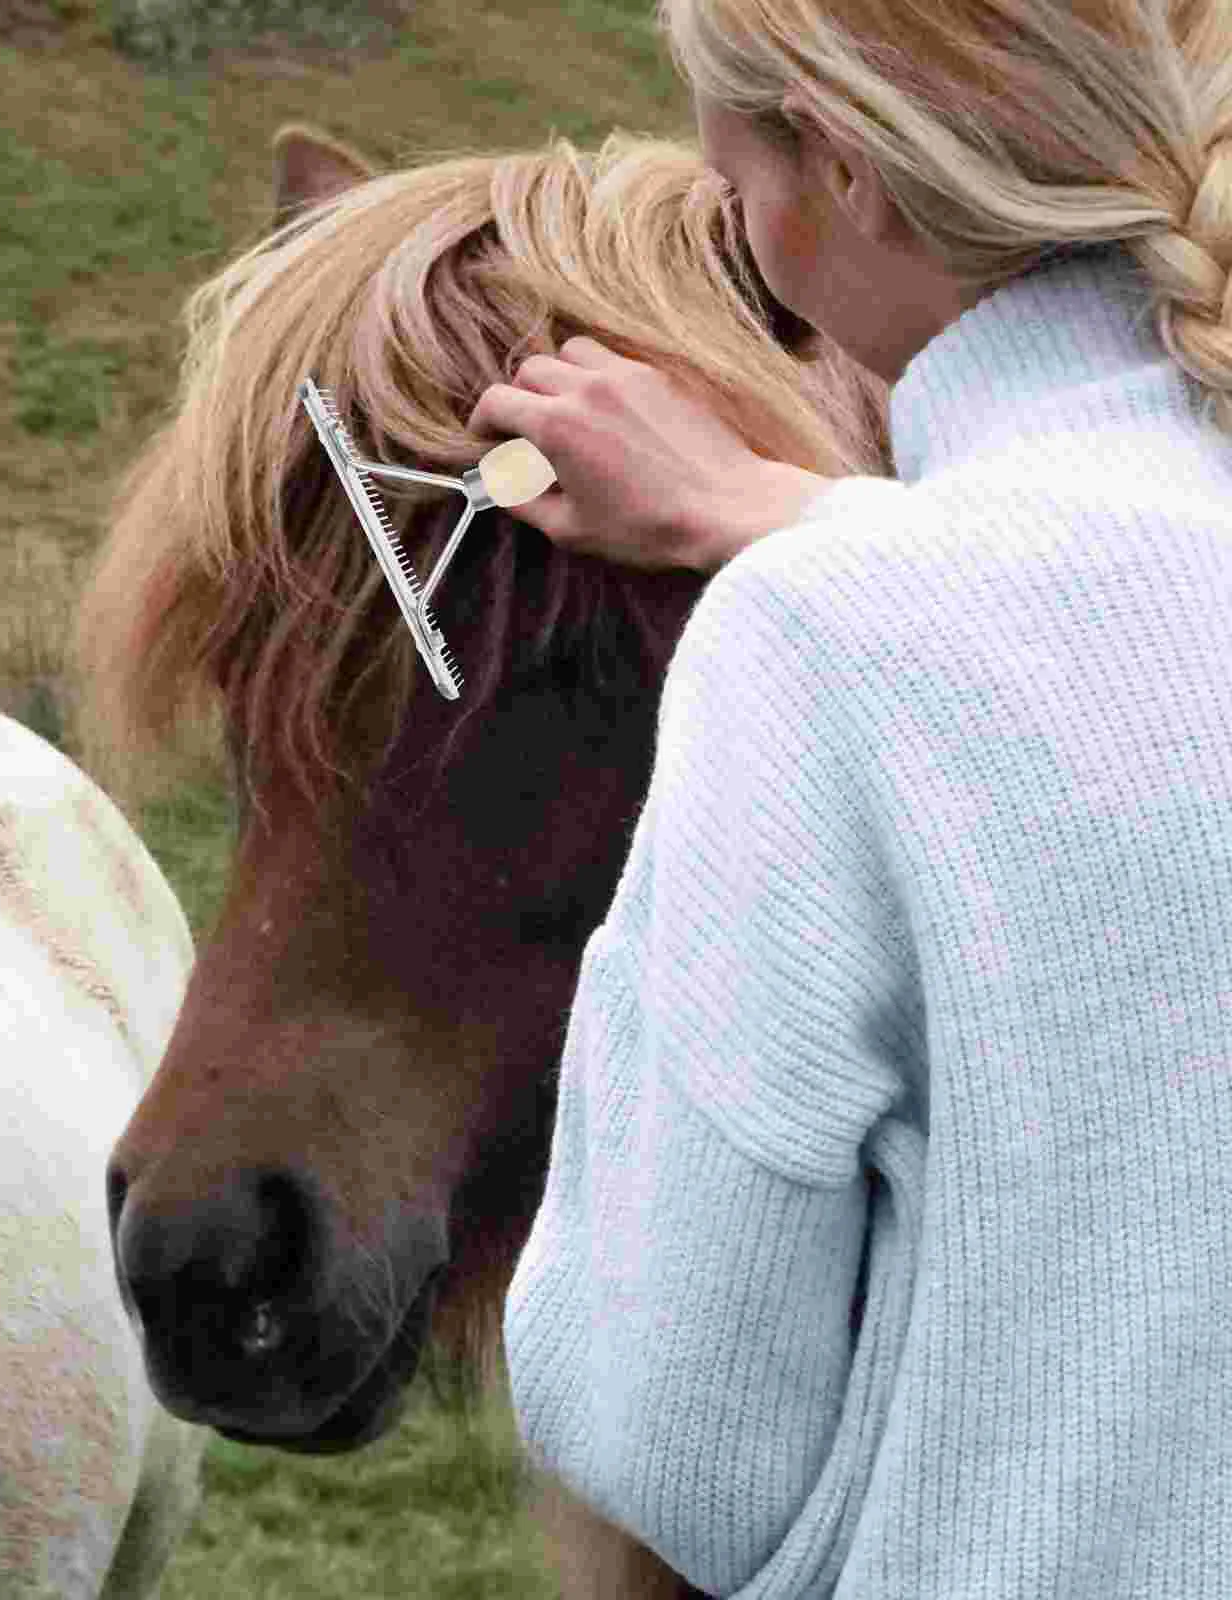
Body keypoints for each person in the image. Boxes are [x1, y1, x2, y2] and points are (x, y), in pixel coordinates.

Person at [473, 0, 1232, 1594]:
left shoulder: (828, 643)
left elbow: (674, 1432)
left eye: (731, 156)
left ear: (847, 172)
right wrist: (809, 516)